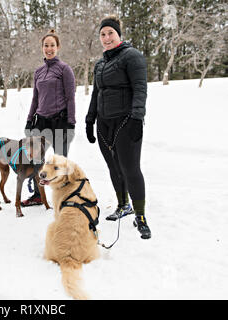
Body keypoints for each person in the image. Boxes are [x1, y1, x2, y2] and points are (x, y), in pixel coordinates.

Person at [85, 15, 151, 239]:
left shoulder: (132, 56)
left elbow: (140, 88)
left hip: (126, 120)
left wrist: (136, 118)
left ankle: (140, 215)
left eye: (110, 33)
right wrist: (89, 119)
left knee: (130, 169)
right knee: (114, 168)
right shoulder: (100, 64)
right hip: (104, 124)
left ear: (118, 34)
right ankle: (123, 205)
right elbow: (96, 93)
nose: (106, 38)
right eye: (102, 34)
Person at [22, 29, 76, 207]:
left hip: (60, 121)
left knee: (59, 161)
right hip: (41, 121)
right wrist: (30, 120)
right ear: (42, 48)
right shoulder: (38, 72)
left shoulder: (64, 69)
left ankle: (63, 196)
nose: (49, 49)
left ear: (58, 47)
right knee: (36, 159)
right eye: (46, 45)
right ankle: (39, 195)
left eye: (52, 45)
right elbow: (35, 98)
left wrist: (71, 122)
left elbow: (70, 97)